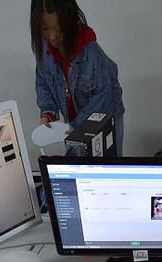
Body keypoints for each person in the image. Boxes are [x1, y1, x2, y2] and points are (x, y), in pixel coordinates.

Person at [31, 0, 125, 150]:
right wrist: (48, 113)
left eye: (58, 29)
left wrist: (77, 126)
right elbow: (43, 81)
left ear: (69, 24)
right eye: (45, 29)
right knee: (75, 160)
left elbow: (104, 98)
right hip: (74, 120)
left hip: (106, 115)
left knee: (104, 164)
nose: (52, 36)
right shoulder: (45, 50)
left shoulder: (92, 54)